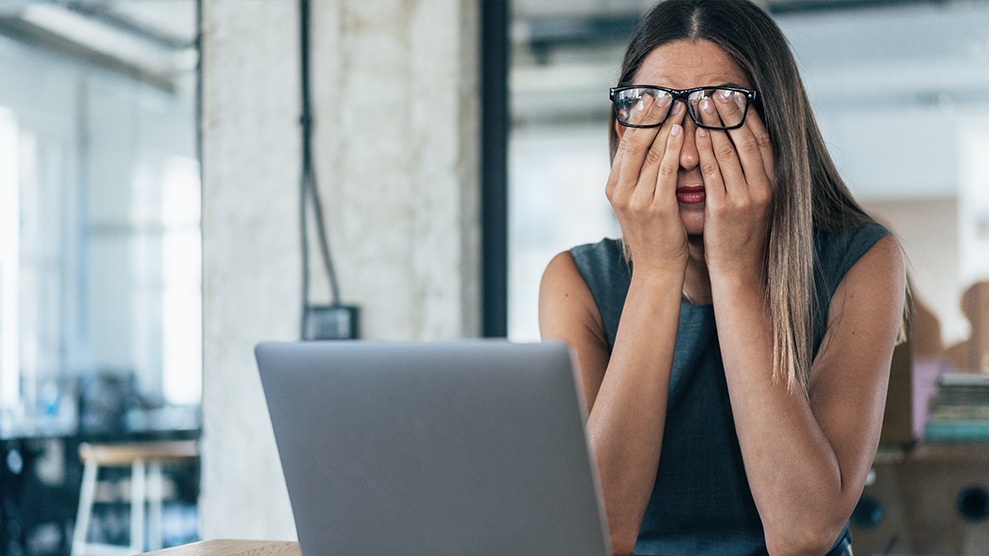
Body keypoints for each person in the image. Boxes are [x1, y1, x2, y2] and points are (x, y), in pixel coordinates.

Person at [537, 1, 909, 554]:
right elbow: (599, 533)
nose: (686, 153)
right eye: (656, 110)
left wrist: (734, 271)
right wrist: (658, 272)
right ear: (623, 128)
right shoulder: (576, 283)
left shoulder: (863, 261)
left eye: (722, 108)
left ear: (777, 126)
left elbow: (803, 532)